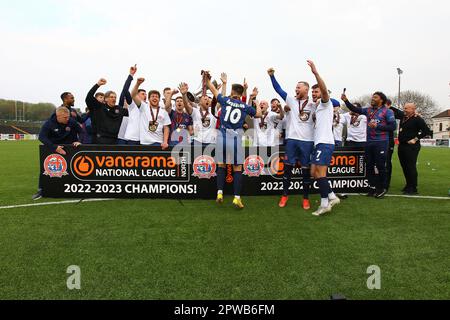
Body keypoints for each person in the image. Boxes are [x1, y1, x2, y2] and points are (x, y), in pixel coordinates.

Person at [205, 71, 262, 209]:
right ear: (242, 94)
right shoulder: (245, 106)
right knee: (237, 167)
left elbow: (212, 89)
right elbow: (259, 114)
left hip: (222, 137)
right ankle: (237, 198)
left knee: (221, 165)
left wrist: (206, 79)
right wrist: (257, 102)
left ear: (232, 92)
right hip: (236, 139)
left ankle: (219, 193)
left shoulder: (225, 100)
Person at [268, 67, 316, 210]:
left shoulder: (314, 104)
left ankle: (306, 198)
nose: (296, 89)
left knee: (305, 172)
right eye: (295, 87)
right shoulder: (290, 100)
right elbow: (279, 89)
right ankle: (284, 195)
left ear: (306, 90)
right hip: (292, 140)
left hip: (307, 141)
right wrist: (272, 76)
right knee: (287, 170)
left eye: (298, 87)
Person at [342, 91, 396, 198]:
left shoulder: (387, 112)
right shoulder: (368, 110)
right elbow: (355, 109)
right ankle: (372, 187)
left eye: (375, 97)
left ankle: (382, 188)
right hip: (369, 142)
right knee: (369, 165)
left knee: (380, 165)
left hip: (381, 142)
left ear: (381, 99)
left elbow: (392, 127)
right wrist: (346, 101)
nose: (372, 99)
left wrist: (377, 126)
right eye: (372, 97)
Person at [307, 61, 341, 216]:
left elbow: (325, 91)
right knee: (314, 172)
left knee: (321, 174)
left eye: (317, 92)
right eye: (313, 92)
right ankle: (332, 196)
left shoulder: (326, 103)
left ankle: (324, 204)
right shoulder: (317, 107)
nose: (314, 94)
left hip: (325, 143)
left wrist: (315, 73)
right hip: (318, 144)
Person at [32, 107, 82, 200]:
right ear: (58, 116)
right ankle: (41, 190)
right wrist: (54, 147)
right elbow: (42, 137)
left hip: (70, 148)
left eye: (68, 117)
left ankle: (75, 189)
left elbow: (82, 132)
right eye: (65, 118)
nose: (68, 119)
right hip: (54, 148)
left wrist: (79, 141)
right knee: (47, 169)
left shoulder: (71, 121)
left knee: (73, 168)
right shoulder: (49, 123)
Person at [390, 103, 432, 195]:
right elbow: (396, 111)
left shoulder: (418, 119)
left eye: (406, 108)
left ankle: (413, 187)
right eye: (404, 108)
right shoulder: (403, 117)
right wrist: (388, 105)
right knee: (404, 166)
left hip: (412, 147)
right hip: (402, 145)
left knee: (410, 166)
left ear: (413, 109)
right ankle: (408, 184)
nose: (404, 110)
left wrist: (415, 139)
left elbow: (426, 131)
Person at [85, 78, 129, 145]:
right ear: (106, 99)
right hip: (99, 141)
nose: (114, 99)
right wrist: (98, 84)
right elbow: (88, 97)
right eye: (111, 97)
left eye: (115, 97)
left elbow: (131, 112)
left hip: (114, 141)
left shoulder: (119, 109)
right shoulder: (99, 107)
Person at [131, 78, 170, 148]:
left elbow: (166, 127)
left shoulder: (164, 112)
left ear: (159, 99)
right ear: (148, 99)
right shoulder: (143, 107)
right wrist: (137, 84)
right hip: (144, 143)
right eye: (152, 96)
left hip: (158, 143)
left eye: (157, 97)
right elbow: (133, 95)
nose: (155, 98)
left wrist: (165, 141)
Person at [117, 65, 138, 145]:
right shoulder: (119, 110)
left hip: (132, 139)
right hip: (120, 139)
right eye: (124, 99)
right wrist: (131, 75)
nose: (126, 101)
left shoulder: (135, 109)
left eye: (127, 99)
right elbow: (125, 90)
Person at [385, 99, 396, 191]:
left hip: (389, 141)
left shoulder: (391, 112)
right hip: (379, 140)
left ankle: (386, 183)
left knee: (387, 161)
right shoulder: (377, 112)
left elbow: (402, 114)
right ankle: (380, 182)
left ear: (389, 105)